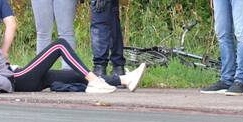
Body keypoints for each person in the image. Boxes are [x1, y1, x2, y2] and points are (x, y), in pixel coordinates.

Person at [10, 38, 145, 93]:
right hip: (17, 77)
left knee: (77, 75)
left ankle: (125, 80)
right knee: (59, 45)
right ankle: (95, 81)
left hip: (19, 74)